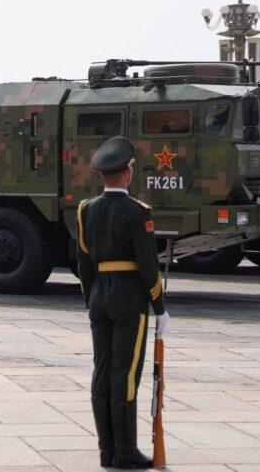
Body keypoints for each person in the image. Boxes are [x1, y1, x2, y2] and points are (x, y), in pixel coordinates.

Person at [76, 136, 171, 469]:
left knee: (102, 370)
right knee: (125, 374)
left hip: (99, 296)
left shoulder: (86, 209)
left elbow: (84, 262)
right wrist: (159, 306)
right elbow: (147, 265)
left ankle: (107, 449)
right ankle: (126, 451)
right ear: (127, 174)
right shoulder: (137, 212)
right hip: (129, 299)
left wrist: (92, 299)